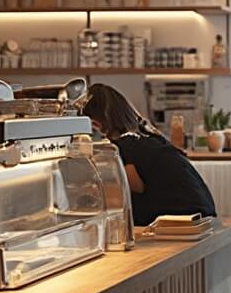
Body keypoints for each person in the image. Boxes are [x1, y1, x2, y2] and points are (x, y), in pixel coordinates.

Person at [81, 83, 216, 227]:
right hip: (204, 217)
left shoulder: (121, 147)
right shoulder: (147, 139)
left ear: (95, 126)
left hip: (183, 221)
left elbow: (130, 188)